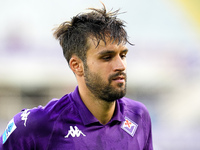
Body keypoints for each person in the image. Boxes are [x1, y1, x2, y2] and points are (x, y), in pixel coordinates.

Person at [0, 4, 153, 150]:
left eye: (123, 55)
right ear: (77, 65)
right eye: (107, 57)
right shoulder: (34, 125)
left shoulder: (139, 116)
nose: (121, 66)